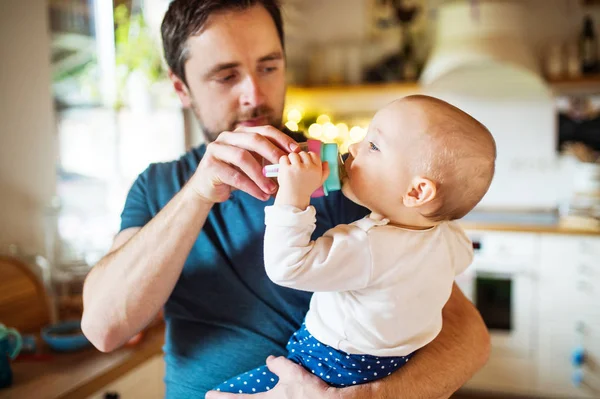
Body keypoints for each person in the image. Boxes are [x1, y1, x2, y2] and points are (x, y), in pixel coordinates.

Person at [81, 1, 491, 398]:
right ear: (180, 87)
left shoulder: (348, 176)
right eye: (226, 76)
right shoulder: (158, 186)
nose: (254, 94)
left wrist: (373, 397)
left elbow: (467, 336)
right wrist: (197, 193)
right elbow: (105, 328)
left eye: (269, 66)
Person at [213, 95, 496, 394]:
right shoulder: (449, 238)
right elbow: (461, 259)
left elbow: (286, 267)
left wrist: (293, 197)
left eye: (373, 146)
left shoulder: (368, 246)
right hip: (395, 363)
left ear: (416, 191)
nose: (354, 148)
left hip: (329, 366)